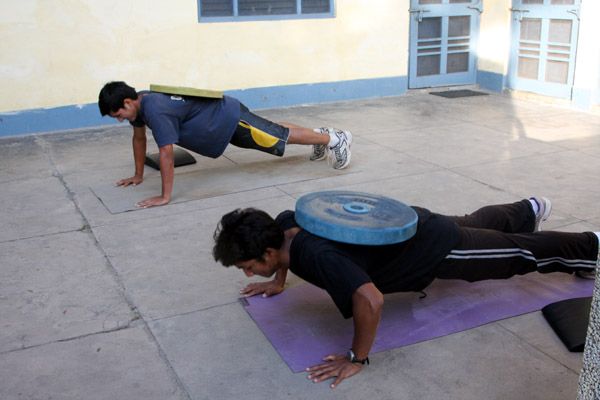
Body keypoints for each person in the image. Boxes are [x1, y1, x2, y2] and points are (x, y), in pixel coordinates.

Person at [212, 196, 599, 388]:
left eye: (249, 266)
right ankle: (528, 208)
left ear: (268, 251)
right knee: (477, 225)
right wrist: (276, 282)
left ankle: (589, 246)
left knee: (516, 253)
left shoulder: (316, 257)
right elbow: (281, 256)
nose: (248, 272)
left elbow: (371, 299)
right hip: (411, 223)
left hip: (434, 249)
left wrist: (356, 358)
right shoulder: (285, 224)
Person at [98, 81, 352, 208]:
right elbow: (138, 137)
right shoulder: (142, 105)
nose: (121, 120)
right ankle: (321, 135)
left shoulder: (155, 110)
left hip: (227, 119)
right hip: (220, 122)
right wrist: (138, 175)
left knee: (275, 137)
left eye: (119, 115)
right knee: (273, 130)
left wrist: (165, 196)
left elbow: (166, 152)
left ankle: (334, 139)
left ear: (128, 103)